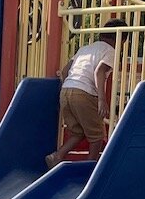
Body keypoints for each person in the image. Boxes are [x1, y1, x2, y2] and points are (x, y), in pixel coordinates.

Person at [46, 18, 126, 169]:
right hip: (84, 93)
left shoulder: (84, 48)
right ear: (120, 40)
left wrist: (70, 88)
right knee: (97, 137)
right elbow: (99, 71)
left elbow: (64, 71)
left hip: (66, 90)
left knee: (78, 132)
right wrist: (102, 100)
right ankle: (87, 170)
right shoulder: (111, 51)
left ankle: (56, 156)